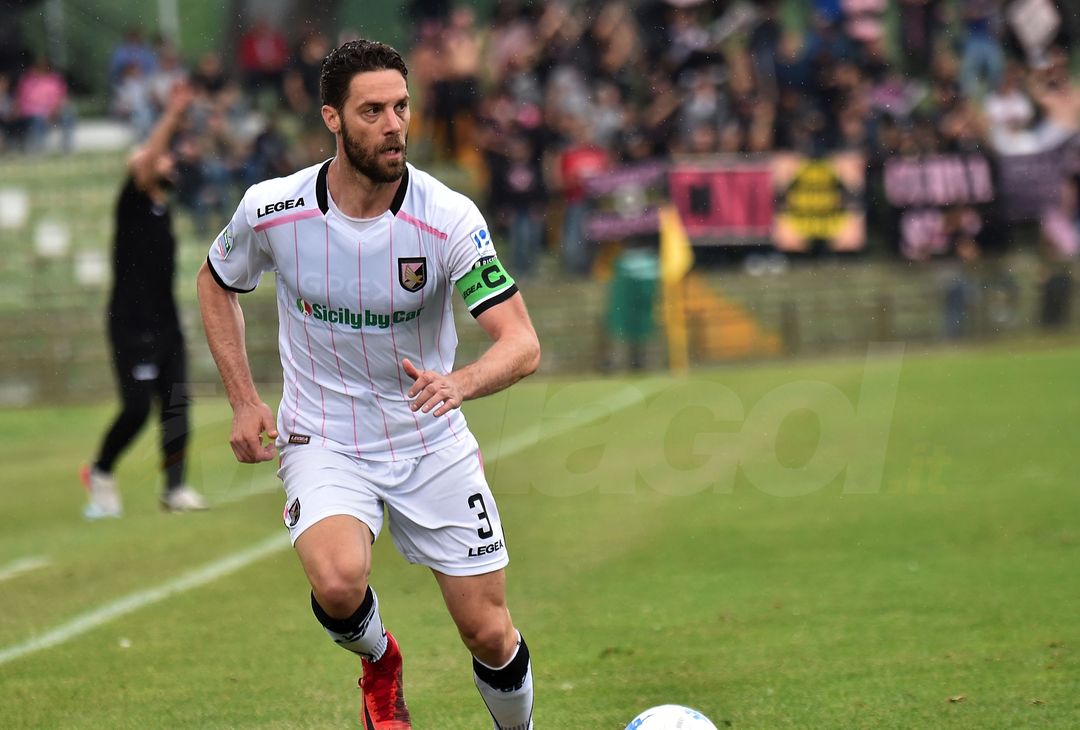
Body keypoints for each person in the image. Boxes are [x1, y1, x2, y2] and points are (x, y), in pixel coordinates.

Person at [196, 39, 540, 729]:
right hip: (323, 434)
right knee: (337, 578)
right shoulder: (273, 210)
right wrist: (242, 398)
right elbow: (215, 280)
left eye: (402, 107)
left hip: (428, 437)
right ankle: (380, 663)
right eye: (373, 110)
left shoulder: (447, 219)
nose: (394, 125)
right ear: (332, 118)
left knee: (489, 634)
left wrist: (461, 382)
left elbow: (522, 343)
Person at [81, 81, 208, 518]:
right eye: (151, 156)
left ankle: (175, 488)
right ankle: (100, 471)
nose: (161, 159)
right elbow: (148, 160)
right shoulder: (131, 201)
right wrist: (172, 116)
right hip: (131, 324)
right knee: (136, 408)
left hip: (165, 322)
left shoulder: (161, 208)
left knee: (175, 403)